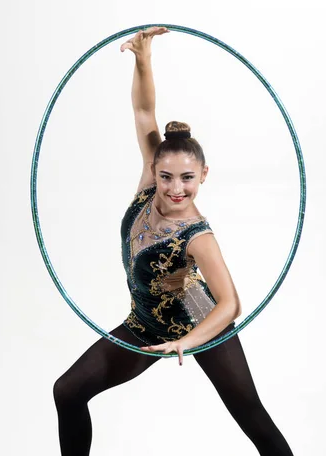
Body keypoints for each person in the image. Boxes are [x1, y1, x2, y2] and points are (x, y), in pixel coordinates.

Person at [53, 26, 294, 456]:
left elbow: (230, 303)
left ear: (203, 174)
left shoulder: (198, 234)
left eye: (187, 178)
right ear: (154, 171)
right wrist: (143, 58)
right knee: (67, 391)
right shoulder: (149, 186)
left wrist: (189, 340)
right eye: (166, 176)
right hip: (145, 322)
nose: (175, 188)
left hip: (197, 318)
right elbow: (145, 112)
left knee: (251, 416)